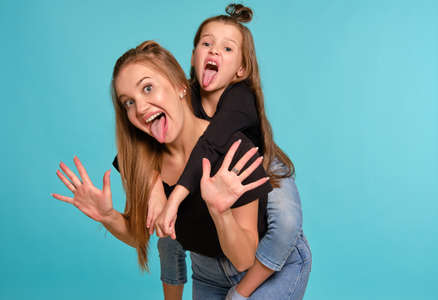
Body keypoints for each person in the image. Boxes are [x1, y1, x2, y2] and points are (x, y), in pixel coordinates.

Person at [52, 41, 272, 299]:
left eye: (148, 88)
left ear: (180, 86)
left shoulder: (233, 149)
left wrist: (220, 213)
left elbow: (245, 259)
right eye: (128, 102)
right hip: (206, 275)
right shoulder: (139, 161)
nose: (140, 108)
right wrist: (108, 216)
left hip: (264, 273)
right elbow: (141, 236)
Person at [148, 4, 311, 300]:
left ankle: (243, 292)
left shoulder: (240, 99)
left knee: (286, 220)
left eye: (226, 48)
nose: (214, 52)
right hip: (211, 174)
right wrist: (153, 187)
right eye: (206, 44)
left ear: (241, 69)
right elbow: (141, 141)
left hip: (258, 163)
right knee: (167, 224)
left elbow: (211, 143)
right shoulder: (183, 96)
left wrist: (175, 196)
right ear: (194, 55)